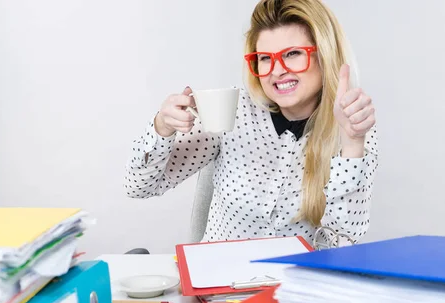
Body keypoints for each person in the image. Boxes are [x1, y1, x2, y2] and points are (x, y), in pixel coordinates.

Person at [124, 0, 378, 245]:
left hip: (291, 284)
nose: (277, 71)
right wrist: (162, 128)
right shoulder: (232, 109)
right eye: (265, 58)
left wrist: (353, 144)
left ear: (325, 55)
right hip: (219, 280)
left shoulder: (353, 126)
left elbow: (342, 243)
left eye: (292, 54)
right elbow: (139, 186)